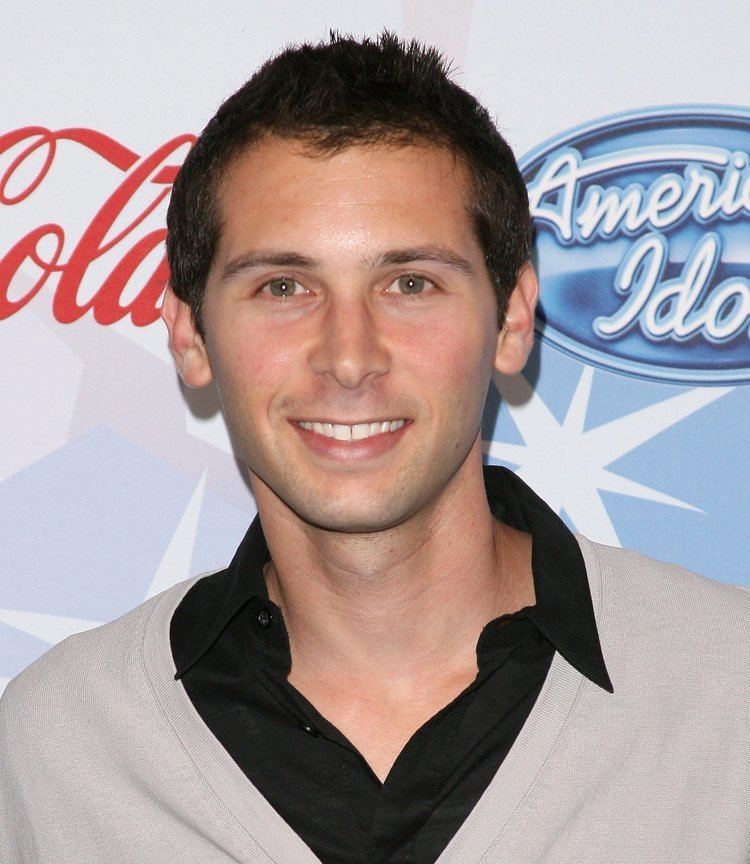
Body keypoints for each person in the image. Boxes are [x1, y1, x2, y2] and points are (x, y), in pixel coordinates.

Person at [1, 32, 748, 864]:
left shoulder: (733, 697)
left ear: (510, 320)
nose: (349, 356)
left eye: (410, 284)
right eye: (283, 287)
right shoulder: (58, 749)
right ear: (190, 337)